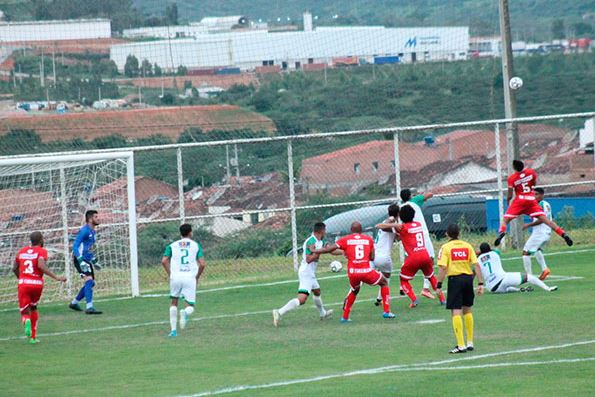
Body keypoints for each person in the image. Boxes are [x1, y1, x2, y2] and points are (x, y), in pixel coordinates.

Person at [316, 221, 395, 322]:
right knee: (384, 282)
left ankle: (345, 317)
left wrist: (315, 251)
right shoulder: (368, 239)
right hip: (366, 271)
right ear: (361, 230)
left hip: (353, 273)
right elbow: (372, 258)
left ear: (351, 230)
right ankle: (387, 312)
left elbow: (330, 249)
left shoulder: (345, 240)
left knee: (354, 290)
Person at [376, 205, 446, 308]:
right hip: (425, 255)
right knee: (431, 277)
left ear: (401, 216)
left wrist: (394, 224)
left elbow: (379, 226)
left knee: (403, 279)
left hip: (413, 258)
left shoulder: (402, 227)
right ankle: (442, 299)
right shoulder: (418, 224)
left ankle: (414, 299)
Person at [495, 160, 572, 247]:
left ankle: (501, 232)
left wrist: (508, 201)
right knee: (547, 221)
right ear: (523, 166)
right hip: (531, 200)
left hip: (519, 201)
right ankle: (563, 234)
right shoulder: (531, 172)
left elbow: (510, 194)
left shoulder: (512, 178)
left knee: (505, 221)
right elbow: (533, 184)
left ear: (514, 168)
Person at [273, 222, 335, 327]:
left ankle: (322, 313)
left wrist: (344, 252)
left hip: (311, 273)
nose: (325, 232)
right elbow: (309, 259)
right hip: (306, 273)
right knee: (302, 299)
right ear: (321, 231)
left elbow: (331, 250)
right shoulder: (310, 241)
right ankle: (279, 312)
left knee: (317, 291)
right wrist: (318, 252)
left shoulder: (320, 241)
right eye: (325, 230)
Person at [436, 224, 484, 354]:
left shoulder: (445, 247)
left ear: (447, 234)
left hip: (455, 280)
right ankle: (470, 342)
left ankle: (460, 345)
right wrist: (480, 283)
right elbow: (476, 265)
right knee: (467, 309)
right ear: (459, 233)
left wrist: (438, 285)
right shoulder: (467, 246)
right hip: (468, 279)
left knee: (456, 311)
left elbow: (443, 268)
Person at [13, 231, 66, 343]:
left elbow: (14, 268)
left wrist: (21, 278)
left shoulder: (21, 251)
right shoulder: (42, 251)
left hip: (24, 283)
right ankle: (33, 337)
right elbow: (41, 265)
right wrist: (56, 277)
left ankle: (26, 321)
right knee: (33, 307)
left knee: (24, 312)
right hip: (37, 284)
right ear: (41, 240)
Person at [162, 223, 207, 337]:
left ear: (180, 233)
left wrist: (171, 273)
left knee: (173, 302)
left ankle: (173, 331)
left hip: (176, 277)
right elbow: (202, 264)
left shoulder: (172, 245)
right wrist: (197, 277)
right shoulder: (195, 245)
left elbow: (164, 261)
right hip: (189, 277)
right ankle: (185, 312)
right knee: (190, 306)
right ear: (190, 232)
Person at [477, 242, 557, 293]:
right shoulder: (494, 253)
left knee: (507, 288)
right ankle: (548, 288)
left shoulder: (478, 260)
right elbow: (496, 250)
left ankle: (519, 290)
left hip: (492, 288)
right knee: (529, 277)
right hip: (502, 279)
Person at [400, 188, 436, 299]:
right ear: (410, 196)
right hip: (421, 234)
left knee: (410, 258)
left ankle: (403, 284)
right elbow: (431, 194)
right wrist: (420, 196)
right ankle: (426, 288)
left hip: (409, 236)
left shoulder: (401, 207)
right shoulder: (415, 200)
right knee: (430, 259)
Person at [68, 210, 102, 314]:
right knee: (89, 281)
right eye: (96, 217)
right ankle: (89, 307)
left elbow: (88, 249)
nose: (98, 218)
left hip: (86, 259)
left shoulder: (93, 232)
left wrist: (94, 261)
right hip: (80, 260)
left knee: (91, 283)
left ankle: (74, 303)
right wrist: (80, 261)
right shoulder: (84, 231)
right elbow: (75, 246)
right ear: (90, 219)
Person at [521, 188, 553, 280]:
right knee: (536, 249)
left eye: (537, 194)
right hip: (546, 232)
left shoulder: (541, 204)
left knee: (525, 252)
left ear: (542, 195)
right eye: (533, 194)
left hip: (540, 233)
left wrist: (528, 225)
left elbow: (541, 220)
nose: (534, 196)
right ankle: (545, 269)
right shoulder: (546, 204)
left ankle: (529, 277)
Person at [372, 203, 399, 307]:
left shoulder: (389, 223)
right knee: (386, 278)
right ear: (398, 213)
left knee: (360, 277)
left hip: (372, 254)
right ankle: (384, 302)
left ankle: (379, 299)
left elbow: (396, 237)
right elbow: (380, 227)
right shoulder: (391, 223)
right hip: (382, 256)